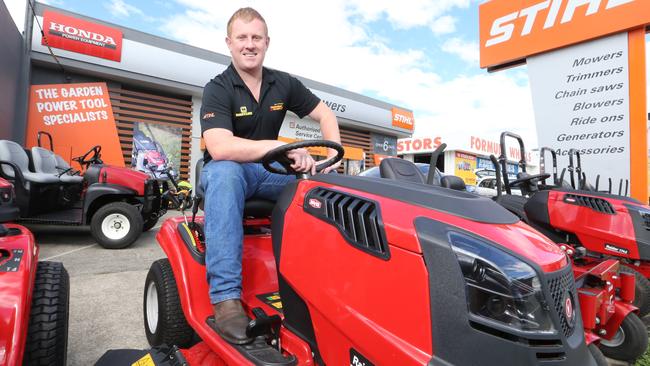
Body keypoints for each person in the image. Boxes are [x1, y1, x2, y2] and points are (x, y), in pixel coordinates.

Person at [199, 7, 341, 344]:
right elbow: (220, 147)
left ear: (267, 42)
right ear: (229, 43)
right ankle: (225, 299)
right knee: (225, 173)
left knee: (323, 189)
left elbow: (324, 114)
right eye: (242, 38)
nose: (250, 45)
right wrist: (281, 146)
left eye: (256, 38)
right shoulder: (218, 88)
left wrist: (332, 156)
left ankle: (332, 282)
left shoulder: (283, 83)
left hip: (270, 173)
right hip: (229, 174)